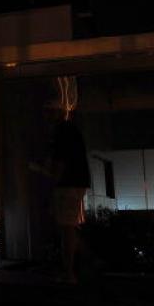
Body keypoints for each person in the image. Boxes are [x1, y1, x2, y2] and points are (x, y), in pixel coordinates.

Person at [49, 114, 90, 284]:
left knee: (67, 228)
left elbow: (60, 163)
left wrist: (51, 178)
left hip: (67, 185)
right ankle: (79, 265)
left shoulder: (61, 133)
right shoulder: (73, 131)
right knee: (70, 226)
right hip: (77, 182)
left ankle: (69, 272)